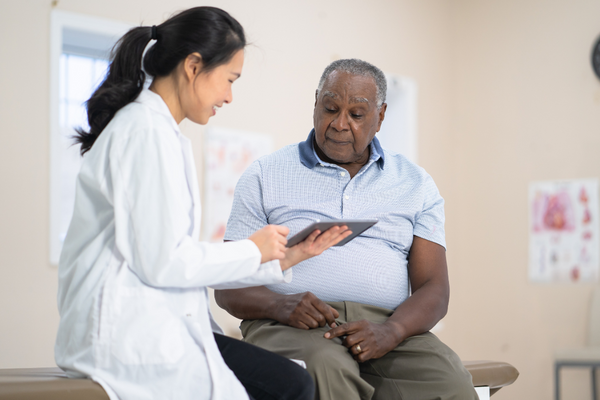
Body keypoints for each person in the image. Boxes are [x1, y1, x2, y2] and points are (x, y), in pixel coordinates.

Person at [54, 7, 351, 400]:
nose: (229, 96)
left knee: (289, 381)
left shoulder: (160, 133)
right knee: (290, 384)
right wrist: (253, 249)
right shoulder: (145, 133)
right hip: (126, 335)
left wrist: (285, 258)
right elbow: (164, 261)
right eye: (229, 79)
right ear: (193, 66)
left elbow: (174, 259)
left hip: (155, 326)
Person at [216, 59, 479, 400]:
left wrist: (392, 331)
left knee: (450, 382)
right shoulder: (265, 174)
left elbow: (434, 288)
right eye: (330, 108)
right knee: (325, 366)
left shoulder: (416, 184)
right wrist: (279, 306)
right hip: (287, 323)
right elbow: (228, 286)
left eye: (356, 115)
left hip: (385, 326)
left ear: (380, 116)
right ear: (315, 103)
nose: (340, 124)